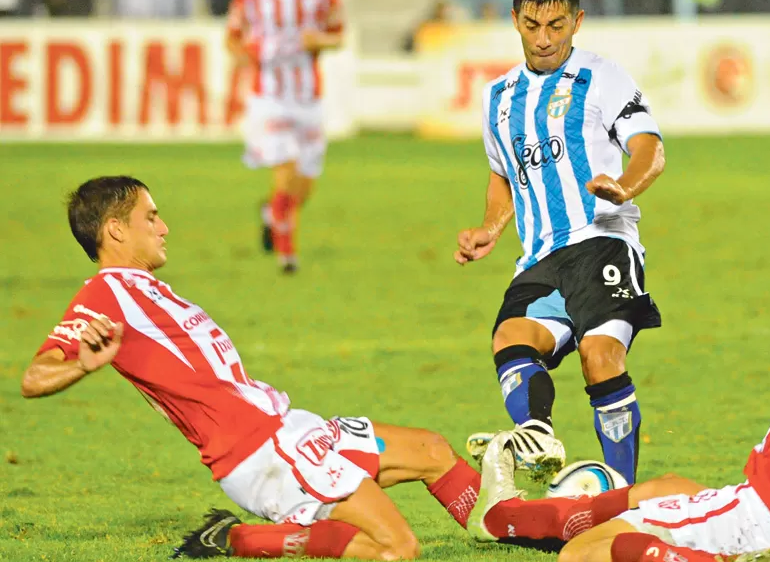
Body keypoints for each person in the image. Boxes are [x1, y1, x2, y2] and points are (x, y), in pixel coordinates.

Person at [469, 172, 770, 562]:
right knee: (669, 488)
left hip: (761, 520)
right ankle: (502, 518)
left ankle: (506, 518)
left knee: (583, 553)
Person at [21, 177, 484, 560]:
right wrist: (81, 365)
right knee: (396, 548)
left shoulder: (146, 288)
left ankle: (512, 525)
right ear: (116, 230)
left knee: (431, 449)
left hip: (288, 428)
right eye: (151, 216)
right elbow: (35, 376)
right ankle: (240, 540)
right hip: (260, 453)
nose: (164, 227)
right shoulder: (105, 294)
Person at [455, 0, 666, 486]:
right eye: (532, 25)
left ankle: (620, 497)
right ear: (515, 20)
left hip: (603, 244)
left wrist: (626, 187)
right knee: (511, 339)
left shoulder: (604, 76)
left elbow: (649, 147)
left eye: (556, 26)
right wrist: (491, 225)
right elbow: (503, 172)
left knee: (600, 355)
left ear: (577, 21)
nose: (544, 39)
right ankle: (537, 436)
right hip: (540, 257)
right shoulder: (499, 97)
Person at [226, 0, 344, 274]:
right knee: (286, 171)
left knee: (303, 186)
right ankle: (287, 254)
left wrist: (318, 39)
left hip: (308, 99)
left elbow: (339, 36)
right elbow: (232, 40)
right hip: (269, 100)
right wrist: (249, 54)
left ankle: (271, 214)